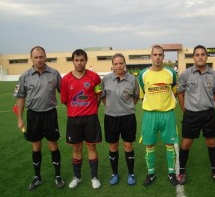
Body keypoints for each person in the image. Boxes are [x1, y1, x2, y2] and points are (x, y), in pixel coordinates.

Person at [14, 46, 64, 190]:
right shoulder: (25, 76)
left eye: (41, 56)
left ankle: (58, 176)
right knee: (36, 147)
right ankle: (37, 177)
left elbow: (64, 93)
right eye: (35, 57)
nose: (39, 59)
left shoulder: (54, 74)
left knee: (53, 145)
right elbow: (21, 98)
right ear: (31, 58)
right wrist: (20, 119)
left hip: (50, 114)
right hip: (33, 115)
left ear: (45, 57)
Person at [177, 45, 215, 185]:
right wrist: (185, 110)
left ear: (206, 56)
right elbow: (180, 93)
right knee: (186, 144)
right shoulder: (186, 74)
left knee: (211, 142)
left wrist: (211, 107)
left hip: (209, 115)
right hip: (191, 115)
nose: (200, 57)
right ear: (194, 57)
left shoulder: (214, 75)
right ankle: (182, 172)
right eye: (197, 54)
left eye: (202, 54)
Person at [60, 49, 102, 189]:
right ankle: (77, 177)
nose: (79, 63)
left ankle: (94, 177)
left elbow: (98, 95)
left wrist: (91, 108)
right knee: (76, 148)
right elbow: (65, 100)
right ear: (73, 61)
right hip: (74, 119)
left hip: (91, 118)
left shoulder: (95, 77)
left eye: (82, 60)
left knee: (91, 146)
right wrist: (76, 109)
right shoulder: (66, 79)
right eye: (76, 60)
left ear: (86, 60)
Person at [138, 45, 178, 187]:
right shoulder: (143, 74)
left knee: (170, 144)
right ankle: (151, 173)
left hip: (167, 114)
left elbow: (173, 91)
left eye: (160, 55)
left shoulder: (171, 73)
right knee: (149, 144)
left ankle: (172, 172)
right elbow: (143, 95)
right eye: (155, 54)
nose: (157, 57)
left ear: (163, 57)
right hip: (150, 114)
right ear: (151, 56)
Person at [101, 53, 139, 186]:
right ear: (112, 65)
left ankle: (131, 173)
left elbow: (136, 97)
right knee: (113, 146)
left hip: (128, 117)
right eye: (116, 64)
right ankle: (115, 173)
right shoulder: (106, 79)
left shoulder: (133, 80)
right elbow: (103, 97)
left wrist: (126, 108)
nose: (118, 66)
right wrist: (111, 108)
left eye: (121, 63)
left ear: (125, 64)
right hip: (111, 117)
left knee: (128, 145)